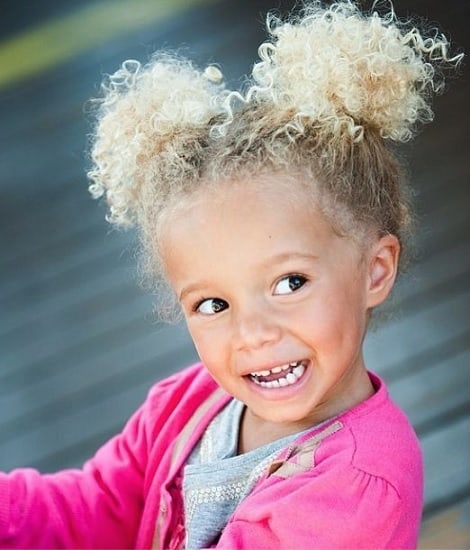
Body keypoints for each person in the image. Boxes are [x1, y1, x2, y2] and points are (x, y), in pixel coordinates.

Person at [0, 1, 462, 548]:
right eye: (213, 305)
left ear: (375, 270)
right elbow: (94, 509)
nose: (253, 333)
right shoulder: (189, 401)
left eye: (290, 283)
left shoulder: (356, 487)